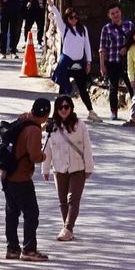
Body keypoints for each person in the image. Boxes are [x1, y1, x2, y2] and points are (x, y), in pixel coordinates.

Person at [0, 98, 51, 262]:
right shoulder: (34, 130)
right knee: (31, 213)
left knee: (12, 213)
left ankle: (12, 248)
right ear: (46, 113)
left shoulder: (23, 120)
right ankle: (29, 249)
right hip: (21, 178)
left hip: (7, 175)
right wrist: (44, 156)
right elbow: (34, 155)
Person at [42, 95, 95, 240]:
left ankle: (67, 228)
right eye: (60, 107)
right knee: (62, 201)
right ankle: (68, 229)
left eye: (66, 107)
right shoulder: (51, 127)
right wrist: (45, 169)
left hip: (78, 167)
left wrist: (89, 167)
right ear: (56, 110)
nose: (64, 110)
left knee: (73, 199)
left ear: (71, 108)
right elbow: (47, 150)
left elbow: (87, 147)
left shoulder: (80, 125)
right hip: (59, 168)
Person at [50, 5, 100, 122]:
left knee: (83, 89)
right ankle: (57, 114)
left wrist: (88, 62)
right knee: (63, 90)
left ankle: (91, 112)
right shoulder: (64, 29)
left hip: (79, 64)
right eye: (71, 18)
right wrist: (51, 5)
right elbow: (57, 16)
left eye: (76, 17)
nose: (74, 20)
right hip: (66, 64)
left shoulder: (83, 29)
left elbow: (86, 45)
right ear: (67, 18)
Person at [98, 5, 135, 122]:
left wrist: (126, 47)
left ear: (121, 12)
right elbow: (102, 48)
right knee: (113, 88)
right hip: (112, 62)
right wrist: (102, 65)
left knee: (132, 86)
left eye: (117, 12)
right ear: (109, 15)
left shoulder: (129, 25)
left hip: (127, 62)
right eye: (112, 13)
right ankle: (113, 111)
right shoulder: (106, 29)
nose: (115, 15)